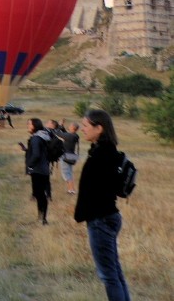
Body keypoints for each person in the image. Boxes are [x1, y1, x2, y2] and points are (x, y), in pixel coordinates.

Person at [74, 109, 131, 301]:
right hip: (108, 216)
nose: (82, 129)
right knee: (115, 273)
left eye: (86, 126)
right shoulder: (106, 151)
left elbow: (95, 190)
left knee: (109, 276)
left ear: (99, 128)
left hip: (101, 219)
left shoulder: (101, 155)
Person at [20, 118, 51, 225]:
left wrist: (30, 165)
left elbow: (36, 154)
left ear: (35, 126)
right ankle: (41, 218)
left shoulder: (36, 138)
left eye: (29, 124)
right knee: (40, 194)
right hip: (44, 169)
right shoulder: (42, 137)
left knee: (40, 194)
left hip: (38, 170)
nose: (28, 126)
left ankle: (43, 219)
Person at [55, 122, 81, 194]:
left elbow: (58, 133)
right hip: (71, 156)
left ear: (73, 128)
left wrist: (59, 126)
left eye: (70, 126)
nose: (69, 126)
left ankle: (71, 190)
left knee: (66, 174)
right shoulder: (75, 135)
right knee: (69, 173)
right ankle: (71, 189)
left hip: (66, 156)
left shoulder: (70, 136)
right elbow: (66, 134)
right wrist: (62, 127)